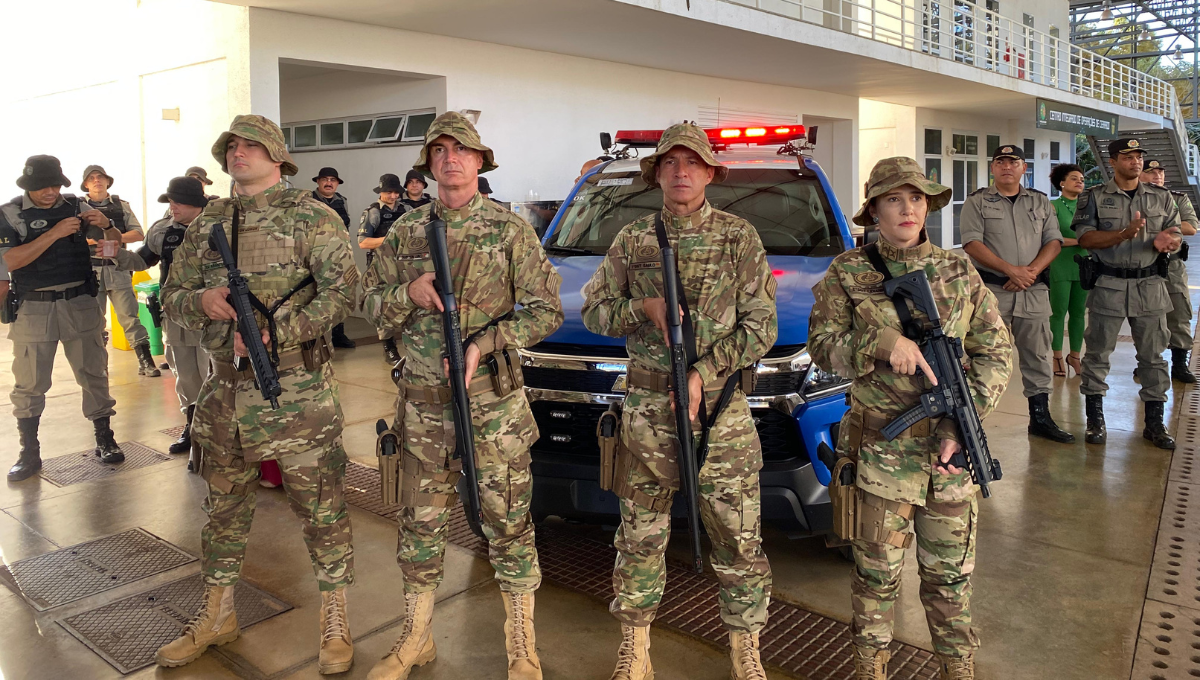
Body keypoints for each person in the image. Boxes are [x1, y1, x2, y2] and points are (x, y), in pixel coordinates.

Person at [362, 111, 563, 680]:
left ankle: (520, 642)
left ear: (479, 161)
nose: (450, 159)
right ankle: (416, 636)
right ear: (429, 163)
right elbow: (368, 307)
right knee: (419, 526)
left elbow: (546, 310)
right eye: (440, 150)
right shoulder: (404, 232)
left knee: (509, 527)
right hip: (423, 410)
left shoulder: (509, 230)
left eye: (461, 150)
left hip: (493, 410)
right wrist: (408, 291)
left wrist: (487, 341)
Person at [156, 115, 359, 674]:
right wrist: (204, 301)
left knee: (322, 511)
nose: (239, 153)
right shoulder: (209, 221)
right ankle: (218, 614)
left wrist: (281, 329)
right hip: (226, 393)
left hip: (298, 391)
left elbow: (345, 293)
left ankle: (336, 621)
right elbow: (171, 293)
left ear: (276, 155)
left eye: (251, 145)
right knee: (222, 511)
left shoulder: (311, 216)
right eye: (232, 146)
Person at [580, 123, 777, 680]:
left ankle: (745, 650)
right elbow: (594, 311)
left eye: (693, 162)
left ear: (711, 172)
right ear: (657, 173)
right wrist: (645, 308)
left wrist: (704, 370)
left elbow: (762, 327)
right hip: (647, 413)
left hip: (721, 412)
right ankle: (635, 647)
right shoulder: (634, 239)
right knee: (639, 536)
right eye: (670, 163)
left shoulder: (739, 237)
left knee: (738, 540)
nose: (681, 172)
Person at [809, 157, 1013, 680]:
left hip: (950, 456)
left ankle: (957, 669)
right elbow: (821, 347)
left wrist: (957, 426)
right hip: (880, 455)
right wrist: (880, 343)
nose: (908, 209)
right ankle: (871, 669)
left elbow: (995, 352)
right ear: (873, 209)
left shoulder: (957, 270)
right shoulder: (848, 273)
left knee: (950, 581)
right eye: (895, 199)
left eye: (918, 198)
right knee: (875, 581)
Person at [0, 155, 130, 481]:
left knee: (94, 372)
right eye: (44, 186)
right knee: (29, 382)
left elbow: (113, 248)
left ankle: (104, 437)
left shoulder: (77, 206)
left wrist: (108, 227)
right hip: (34, 308)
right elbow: (10, 261)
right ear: (29, 186)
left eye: (56, 185)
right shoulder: (10, 214)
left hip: (80, 302)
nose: (52, 192)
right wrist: (54, 233)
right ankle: (29, 451)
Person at [1075, 139, 1182, 449]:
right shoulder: (1094, 196)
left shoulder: (1161, 197)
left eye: (1139, 156)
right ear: (1113, 161)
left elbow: (1176, 228)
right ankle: (1095, 420)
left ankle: (1154, 423)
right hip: (1109, 284)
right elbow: (1085, 239)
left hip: (1149, 286)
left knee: (1153, 357)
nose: (1136, 161)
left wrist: (1170, 239)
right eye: (1128, 156)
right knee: (1097, 355)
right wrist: (1122, 234)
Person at [960, 145, 1070, 443]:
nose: (1007, 166)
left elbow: (1054, 241)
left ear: (1024, 168)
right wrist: (1011, 271)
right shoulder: (978, 202)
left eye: (1014, 162)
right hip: (992, 293)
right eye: (1001, 162)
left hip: (1033, 292)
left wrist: (1028, 272)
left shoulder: (1040, 201)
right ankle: (971, 423)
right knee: (982, 356)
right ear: (993, 168)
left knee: (1038, 356)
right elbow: (972, 243)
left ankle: (1040, 418)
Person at [135, 177, 212, 463]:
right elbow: (143, 259)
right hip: (175, 314)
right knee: (184, 374)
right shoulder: (162, 230)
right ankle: (191, 428)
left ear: (195, 204)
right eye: (170, 202)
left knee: (211, 374)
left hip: (208, 314)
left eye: (178, 202)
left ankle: (215, 435)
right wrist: (114, 254)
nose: (172, 207)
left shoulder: (218, 227)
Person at [81, 165, 161, 377]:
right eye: (92, 178)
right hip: (90, 271)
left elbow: (137, 234)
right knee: (93, 322)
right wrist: (88, 241)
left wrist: (113, 238)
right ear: (86, 184)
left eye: (101, 177)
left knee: (130, 318)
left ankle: (146, 361)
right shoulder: (78, 208)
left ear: (108, 181)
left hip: (117, 269)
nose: (97, 181)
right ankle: (98, 367)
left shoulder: (121, 206)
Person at [1141, 158, 1199, 382]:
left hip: (1172, 265)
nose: (1157, 176)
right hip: (1144, 264)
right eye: (1151, 172)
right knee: (1145, 316)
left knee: (1179, 313)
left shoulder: (1177, 198)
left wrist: (1157, 225)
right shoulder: (1134, 200)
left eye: (1160, 172)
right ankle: (1145, 362)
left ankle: (1179, 364)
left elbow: (1191, 227)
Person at [358, 173, 408, 365]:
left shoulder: (406, 209)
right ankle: (389, 348)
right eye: (389, 192)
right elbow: (363, 242)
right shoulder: (373, 212)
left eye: (396, 192)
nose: (393, 196)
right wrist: (391, 241)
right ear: (381, 192)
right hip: (379, 267)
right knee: (383, 306)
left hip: (403, 265)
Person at [1048, 164, 1088, 378]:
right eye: (1074, 178)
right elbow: (1053, 237)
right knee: (1058, 313)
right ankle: (1056, 356)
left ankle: (1074, 355)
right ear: (1062, 183)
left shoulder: (1088, 206)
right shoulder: (1053, 207)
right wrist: (1081, 240)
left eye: (1081, 178)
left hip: (1084, 264)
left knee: (1079, 313)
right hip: (1061, 264)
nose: (1080, 181)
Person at [311, 167, 356, 349]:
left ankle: (338, 335)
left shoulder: (341, 201)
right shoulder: (308, 200)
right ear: (318, 182)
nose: (329, 183)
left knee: (338, 293)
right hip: (314, 256)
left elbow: (346, 227)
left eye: (332, 180)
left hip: (337, 255)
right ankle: (315, 337)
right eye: (325, 179)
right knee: (313, 296)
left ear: (337, 183)